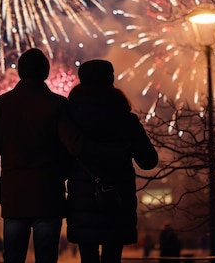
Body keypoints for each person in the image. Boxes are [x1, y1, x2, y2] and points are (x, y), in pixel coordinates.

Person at [58, 59, 159, 263]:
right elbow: (148, 160)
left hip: (83, 201)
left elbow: (61, 165)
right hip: (117, 200)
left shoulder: (69, 120)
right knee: (113, 257)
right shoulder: (126, 120)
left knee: (88, 257)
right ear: (111, 79)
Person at [0, 48, 70, 263]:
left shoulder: (0, 105)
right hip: (49, 195)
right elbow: (71, 150)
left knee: (13, 258)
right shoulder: (59, 105)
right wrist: (60, 177)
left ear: (20, 72)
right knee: (47, 257)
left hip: (13, 196)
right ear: (46, 72)